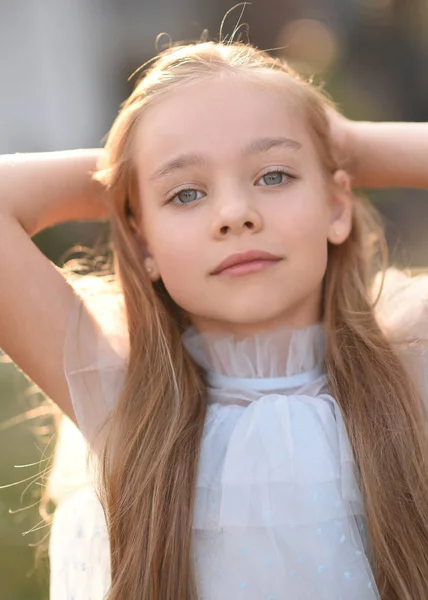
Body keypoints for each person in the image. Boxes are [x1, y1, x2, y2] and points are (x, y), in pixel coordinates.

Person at [1, 40, 428, 600]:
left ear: (336, 207)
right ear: (140, 239)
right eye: (185, 194)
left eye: (274, 176)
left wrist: (346, 143)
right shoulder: (124, 395)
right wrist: (130, 166)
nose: (234, 215)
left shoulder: (411, 363)